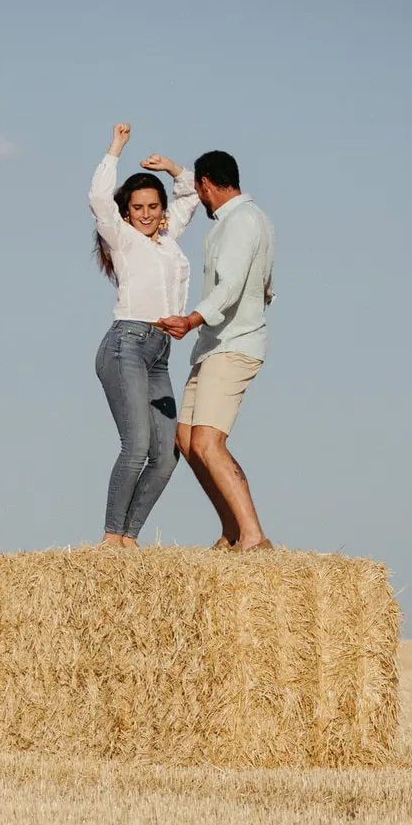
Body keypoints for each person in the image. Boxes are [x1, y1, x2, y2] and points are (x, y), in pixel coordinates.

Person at [157, 149, 276, 552]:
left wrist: (192, 319)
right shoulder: (244, 218)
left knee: (208, 442)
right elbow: (265, 286)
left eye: (199, 190)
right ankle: (232, 530)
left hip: (233, 343)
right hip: (215, 344)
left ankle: (254, 536)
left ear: (206, 185)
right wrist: (174, 169)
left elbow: (232, 285)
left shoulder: (242, 221)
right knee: (187, 440)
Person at [89, 124, 199, 549]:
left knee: (166, 456)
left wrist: (172, 167)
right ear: (128, 212)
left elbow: (190, 196)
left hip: (160, 353)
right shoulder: (122, 239)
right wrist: (116, 149)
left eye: (153, 206)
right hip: (126, 346)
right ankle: (111, 538)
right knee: (135, 446)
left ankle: (129, 538)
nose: (147, 214)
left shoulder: (168, 239)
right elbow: (99, 199)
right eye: (138, 208)